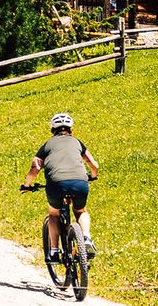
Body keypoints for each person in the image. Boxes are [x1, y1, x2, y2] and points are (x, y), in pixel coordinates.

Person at [20, 111, 99, 262]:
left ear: (52, 129)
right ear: (71, 129)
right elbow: (93, 164)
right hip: (80, 182)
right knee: (81, 211)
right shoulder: (78, 143)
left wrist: (26, 185)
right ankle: (87, 238)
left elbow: (35, 168)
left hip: (56, 184)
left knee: (54, 214)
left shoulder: (47, 145)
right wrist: (93, 175)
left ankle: (55, 251)